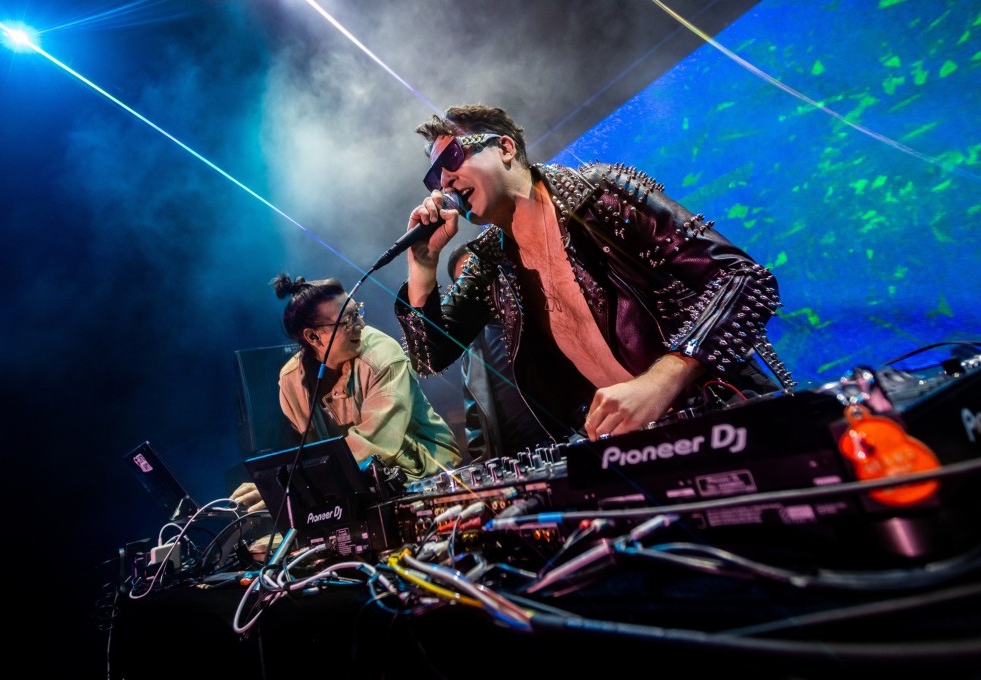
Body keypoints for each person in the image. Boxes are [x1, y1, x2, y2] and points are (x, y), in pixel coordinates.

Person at [395, 104, 794, 445]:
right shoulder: (490, 263)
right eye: (434, 179)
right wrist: (423, 266)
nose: (444, 182)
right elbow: (431, 357)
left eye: (451, 161)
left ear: (504, 147)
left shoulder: (599, 195)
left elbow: (744, 279)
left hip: (723, 414)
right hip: (634, 449)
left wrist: (663, 379)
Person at [232, 274, 462, 512]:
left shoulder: (383, 356)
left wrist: (292, 485)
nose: (361, 325)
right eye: (349, 319)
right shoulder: (290, 381)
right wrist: (282, 489)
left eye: (357, 312)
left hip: (426, 475)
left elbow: (375, 445)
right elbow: (314, 456)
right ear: (313, 337)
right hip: (361, 486)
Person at [447, 242, 551, 461]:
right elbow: (476, 422)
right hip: (518, 462)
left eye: (477, 274)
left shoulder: (535, 308)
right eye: (464, 283)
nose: (474, 286)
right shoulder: (471, 348)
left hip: (570, 439)